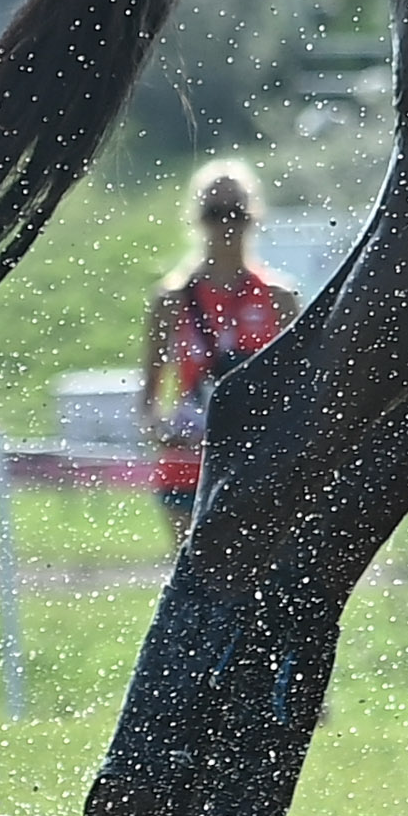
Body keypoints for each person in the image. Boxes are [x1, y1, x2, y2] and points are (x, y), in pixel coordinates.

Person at [144, 159, 302, 541]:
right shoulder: (171, 299)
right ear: (197, 220)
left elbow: (299, 391)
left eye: (237, 213)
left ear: (254, 217)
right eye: (215, 214)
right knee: (191, 582)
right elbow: (148, 400)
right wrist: (163, 432)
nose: (227, 226)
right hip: (189, 464)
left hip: (258, 463)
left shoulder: (280, 297)